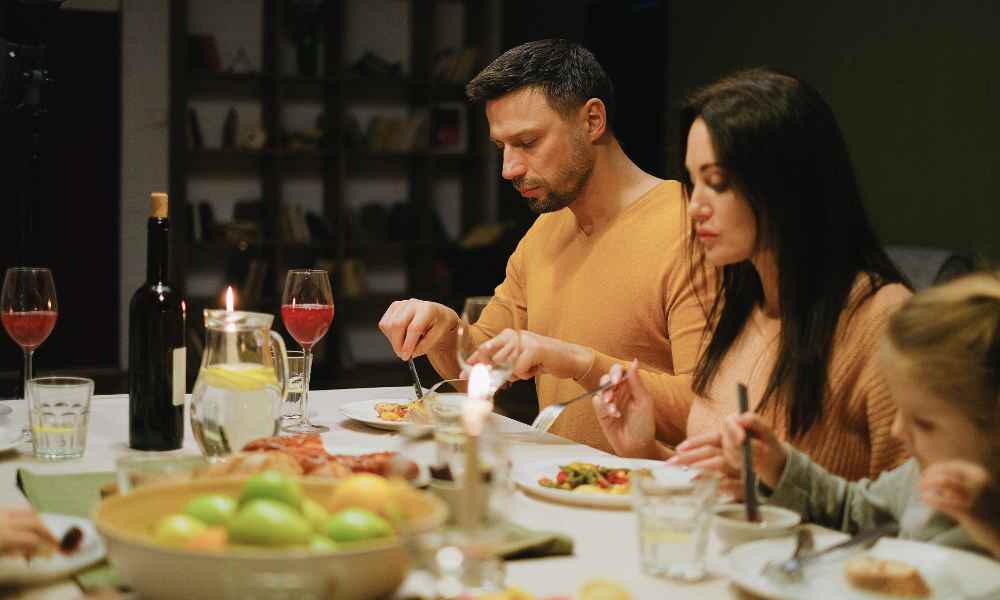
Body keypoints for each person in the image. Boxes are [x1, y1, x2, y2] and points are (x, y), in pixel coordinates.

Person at [378, 39, 709, 452]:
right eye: (502, 147)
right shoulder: (544, 231)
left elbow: (708, 414)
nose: (509, 169)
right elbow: (477, 370)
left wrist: (581, 362)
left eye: (528, 143)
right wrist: (445, 332)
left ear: (592, 120)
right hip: (556, 489)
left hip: (651, 502)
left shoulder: (692, 230)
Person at [594, 68, 910, 486]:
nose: (695, 207)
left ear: (787, 186)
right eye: (692, 182)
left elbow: (917, 520)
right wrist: (646, 452)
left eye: (718, 183)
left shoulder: (881, 320)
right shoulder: (744, 302)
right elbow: (730, 491)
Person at [718, 271, 1000, 553]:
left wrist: (989, 521)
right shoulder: (915, 476)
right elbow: (852, 509)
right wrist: (777, 465)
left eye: (924, 423)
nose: (897, 430)